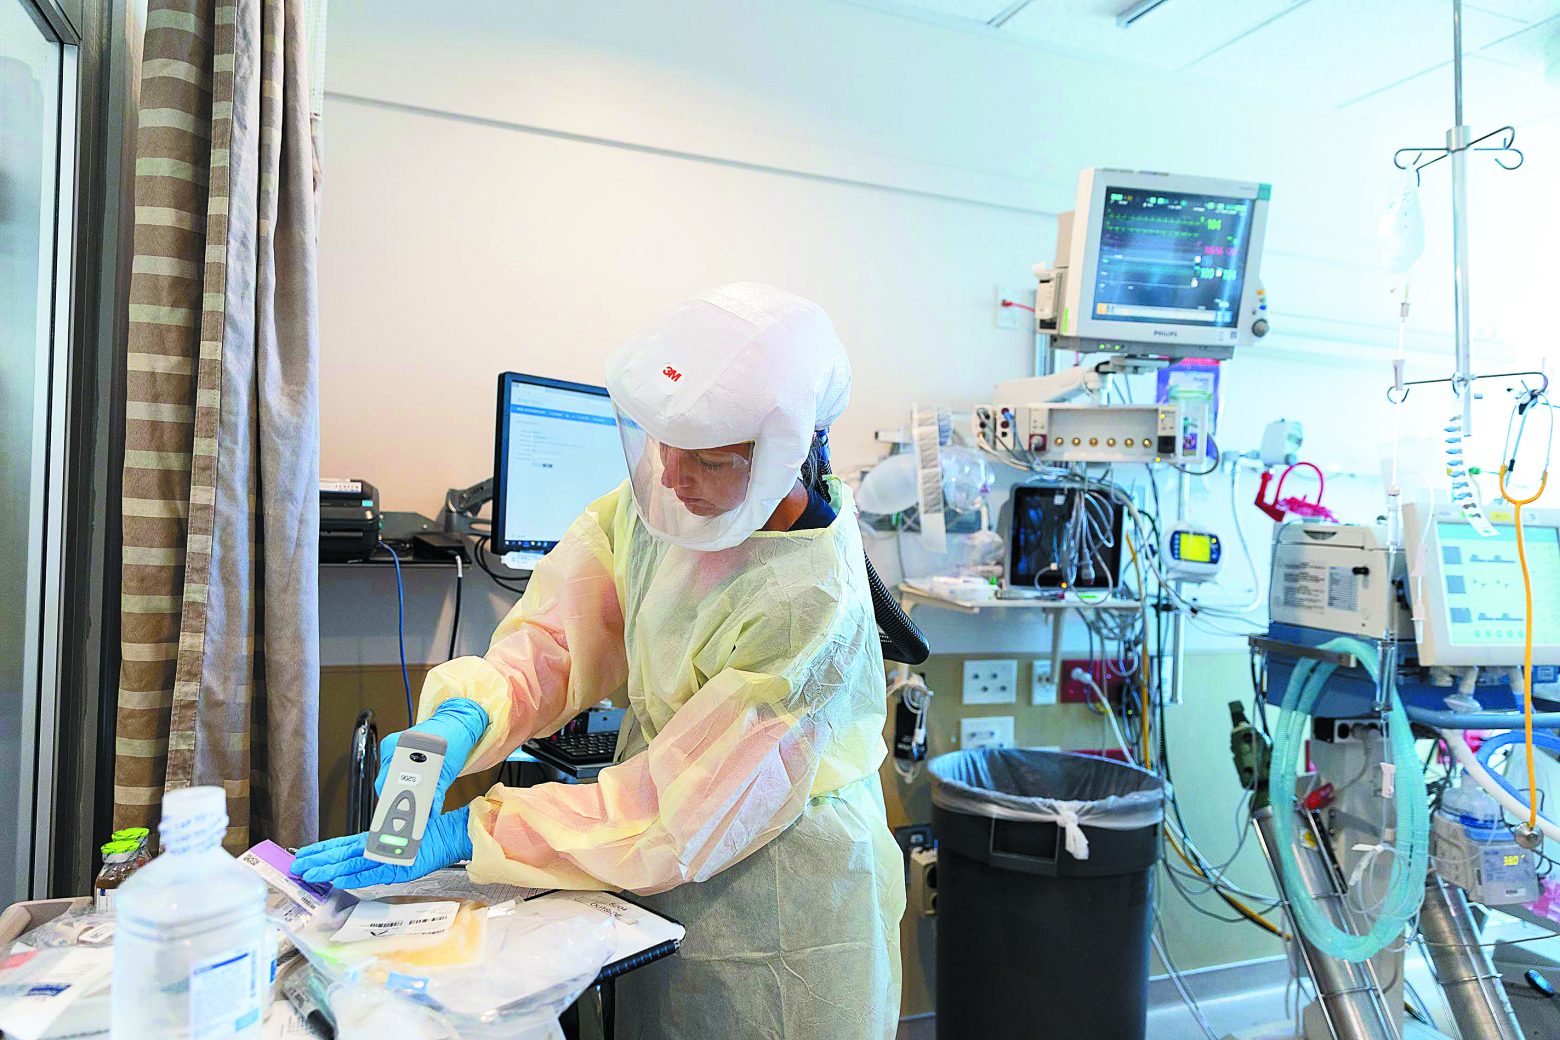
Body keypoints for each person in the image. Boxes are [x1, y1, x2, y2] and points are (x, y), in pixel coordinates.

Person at [295, 283, 906, 1039]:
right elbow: (560, 635)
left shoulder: (806, 599)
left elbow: (679, 812)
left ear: (785, 456)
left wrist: (471, 835)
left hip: (782, 903)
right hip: (663, 864)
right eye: (663, 445)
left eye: (708, 460)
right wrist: (469, 714)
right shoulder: (665, 506)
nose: (672, 478)